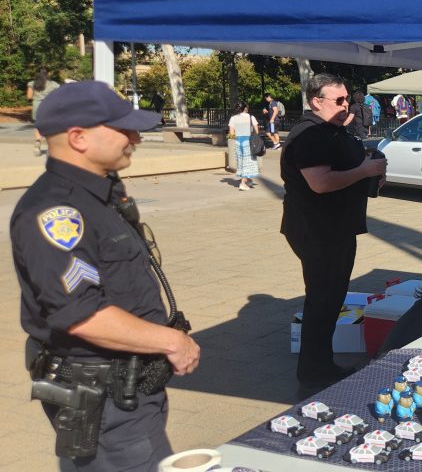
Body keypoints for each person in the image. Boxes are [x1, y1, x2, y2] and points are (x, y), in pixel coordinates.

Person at [13, 81, 201, 471]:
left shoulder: (98, 195)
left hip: (125, 390)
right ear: (78, 138)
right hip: (103, 398)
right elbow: (81, 314)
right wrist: (170, 340)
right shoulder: (57, 211)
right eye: (123, 129)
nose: (136, 137)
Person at [280, 73, 387, 385]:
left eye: (346, 99)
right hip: (317, 229)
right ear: (316, 101)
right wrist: (364, 170)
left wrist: (372, 172)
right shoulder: (310, 135)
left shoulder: (331, 130)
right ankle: (314, 372)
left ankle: (321, 364)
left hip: (335, 227)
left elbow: (346, 165)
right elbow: (321, 182)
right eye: (338, 100)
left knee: (330, 300)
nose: (346, 105)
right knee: (322, 300)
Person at [227, 102, 261, 191]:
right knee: (248, 162)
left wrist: (237, 137)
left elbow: (231, 133)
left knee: (241, 162)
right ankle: (242, 183)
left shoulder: (233, 118)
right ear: (245, 108)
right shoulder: (251, 117)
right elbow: (257, 131)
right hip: (248, 142)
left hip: (238, 142)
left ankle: (248, 180)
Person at [27, 67, 61, 155]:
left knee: (38, 126)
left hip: (37, 106)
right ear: (48, 74)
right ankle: (51, 147)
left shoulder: (32, 83)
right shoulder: (54, 84)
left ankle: (37, 144)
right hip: (49, 106)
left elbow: (29, 97)